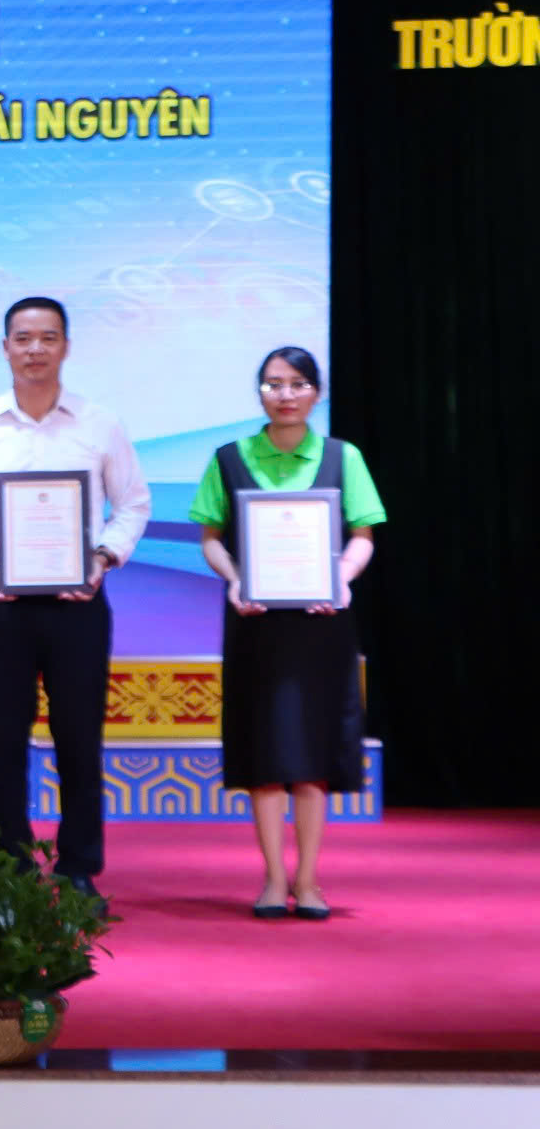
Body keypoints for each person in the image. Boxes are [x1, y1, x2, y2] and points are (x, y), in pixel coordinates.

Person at [0, 297, 151, 902]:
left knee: (80, 738)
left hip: (79, 603)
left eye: (48, 338)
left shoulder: (99, 423)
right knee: (2, 739)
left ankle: (78, 867)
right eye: (23, 338)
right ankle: (9, 865)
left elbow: (133, 503)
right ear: (5, 348)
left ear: (66, 346)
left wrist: (102, 558)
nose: (35, 349)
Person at [189, 347, 383, 921]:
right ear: (260, 392)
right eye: (273, 384)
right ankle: (274, 878)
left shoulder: (342, 457)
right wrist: (234, 578)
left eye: (298, 383)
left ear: (316, 392)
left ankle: (310, 880)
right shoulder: (229, 458)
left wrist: (342, 579)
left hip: (323, 624)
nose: (286, 394)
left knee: (313, 754)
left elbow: (363, 534)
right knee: (266, 752)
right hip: (256, 623)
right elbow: (211, 538)